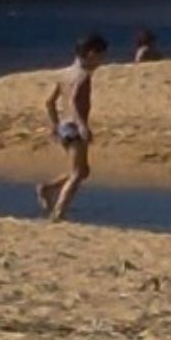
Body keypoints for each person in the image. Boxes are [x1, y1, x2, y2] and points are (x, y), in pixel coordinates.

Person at [37, 33, 108, 223]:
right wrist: (83, 126)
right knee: (77, 174)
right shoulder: (83, 76)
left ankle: (49, 188)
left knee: (82, 171)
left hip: (64, 126)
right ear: (90, 54)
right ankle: (59, 213)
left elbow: (49, 102)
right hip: (74, 126)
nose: (101, 61)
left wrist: (55, 125)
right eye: (100, 56)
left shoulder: (65, 73)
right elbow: (76, 102)